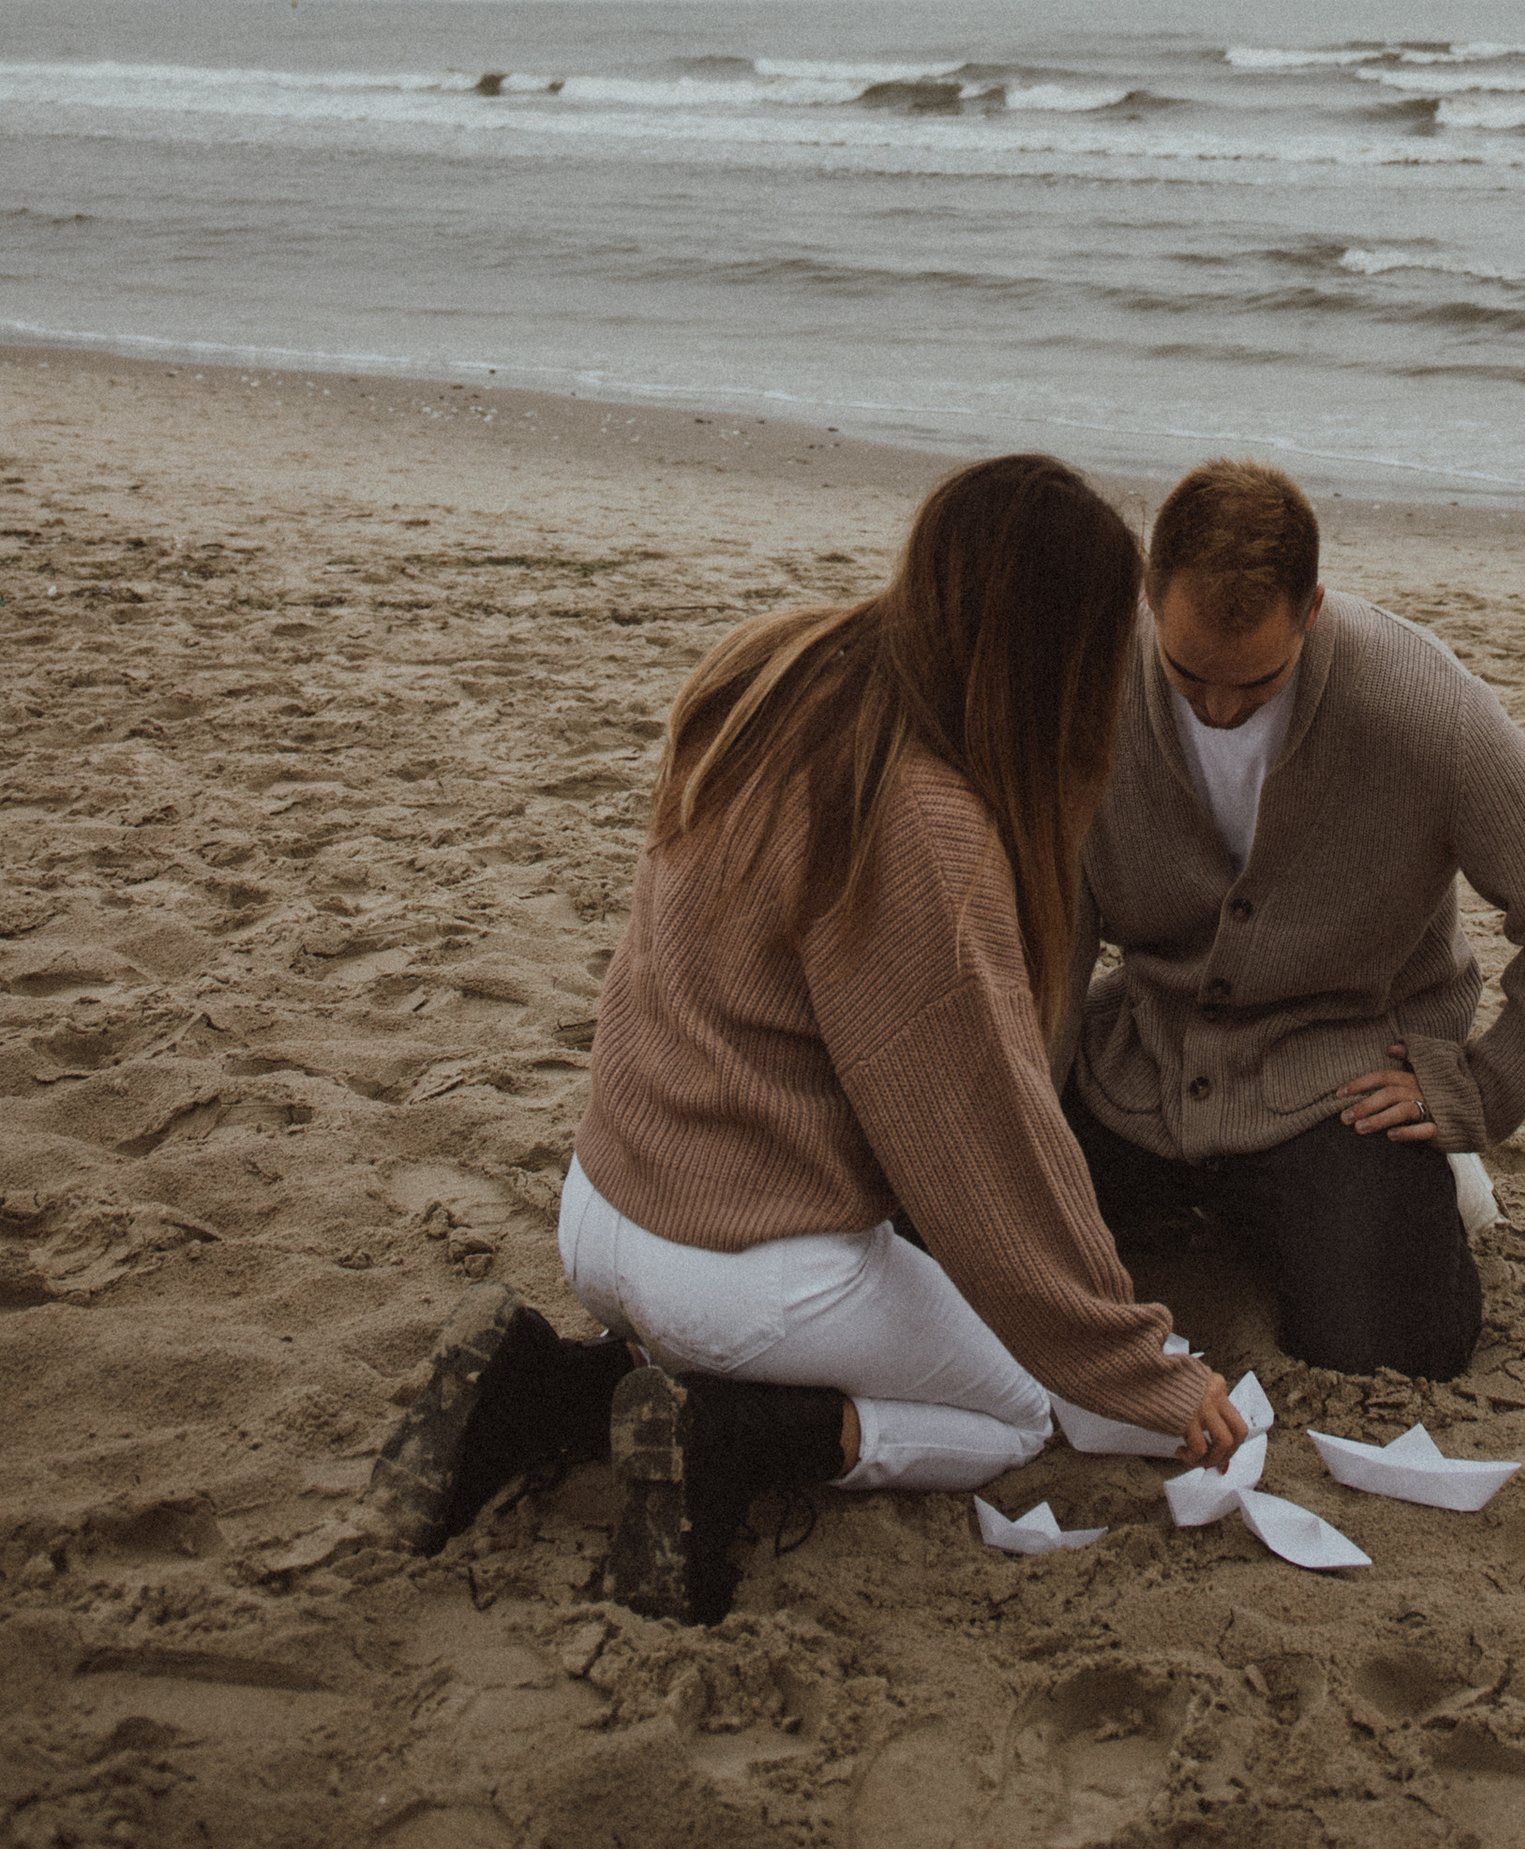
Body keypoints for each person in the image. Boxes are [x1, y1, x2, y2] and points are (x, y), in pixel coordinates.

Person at [368, 454, 1248, 1620]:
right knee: (1019, 1411)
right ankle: (734, 1436)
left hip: (603, 1207)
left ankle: (554, 1390)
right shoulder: (923, 816)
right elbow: (985, 1151)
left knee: (936, 1317)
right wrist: (1142, 1367)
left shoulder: (778, 662)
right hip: (741, 1272)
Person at [1062, 459, 1525, 1381]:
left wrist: (1483, 1093)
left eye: (1254, 681)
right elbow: (1057, 928)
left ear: (1313, 610)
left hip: (1340, 1078)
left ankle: (1428, 1186)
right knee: (937, 1235)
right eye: (1186, 673)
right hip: (1141, 1058)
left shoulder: (1416, 703)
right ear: (1148, 598)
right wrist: (1033, 1103)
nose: (1217, 709)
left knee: (1400, 1348)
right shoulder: (1087, 682)